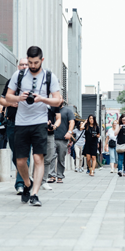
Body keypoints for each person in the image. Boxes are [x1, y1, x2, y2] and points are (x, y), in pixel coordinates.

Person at [6, 46, 60, 206]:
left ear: (41, 60)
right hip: (21, 123)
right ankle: (27, 184)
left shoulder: (50, 76)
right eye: (30, 62)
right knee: (20, 161)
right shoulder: (19, 75)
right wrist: (18, 98)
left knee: (38, 158)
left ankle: (35, 194)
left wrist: (42, 99)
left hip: (39, 123)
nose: (32, 65)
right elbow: (8, 96)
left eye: (35, 62)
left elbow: (58, 100)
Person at [0, 58, 29, 195]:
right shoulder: (11, 82)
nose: (24, 66)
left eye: (26, 64)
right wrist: (11, 103)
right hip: (12, 122)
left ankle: (20, 184)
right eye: (22, 64)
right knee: (16, 154)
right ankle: (25, 175)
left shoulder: (33, 83)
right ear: (18, 66)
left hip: (28, 123)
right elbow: (2, 99)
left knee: (24, 153)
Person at [48, 96, 75, 183]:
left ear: (63, 100)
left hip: (63, 138)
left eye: (60, 98)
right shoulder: (50, 109)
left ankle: (60, 176)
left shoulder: (68, 111)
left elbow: (72, 122)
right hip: (51, 136)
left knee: (61, 158)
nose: (58, 100)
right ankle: (52, 175)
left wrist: (69, 132)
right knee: (51, 157)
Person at [41, 104, 61, 190]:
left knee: (48, 158)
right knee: (37, 157)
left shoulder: (53, 104)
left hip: (50, 134)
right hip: (37, 133)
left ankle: (44, 181)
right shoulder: (36, 100)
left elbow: (58, 118)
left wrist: (54, 126)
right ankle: (34, 180)